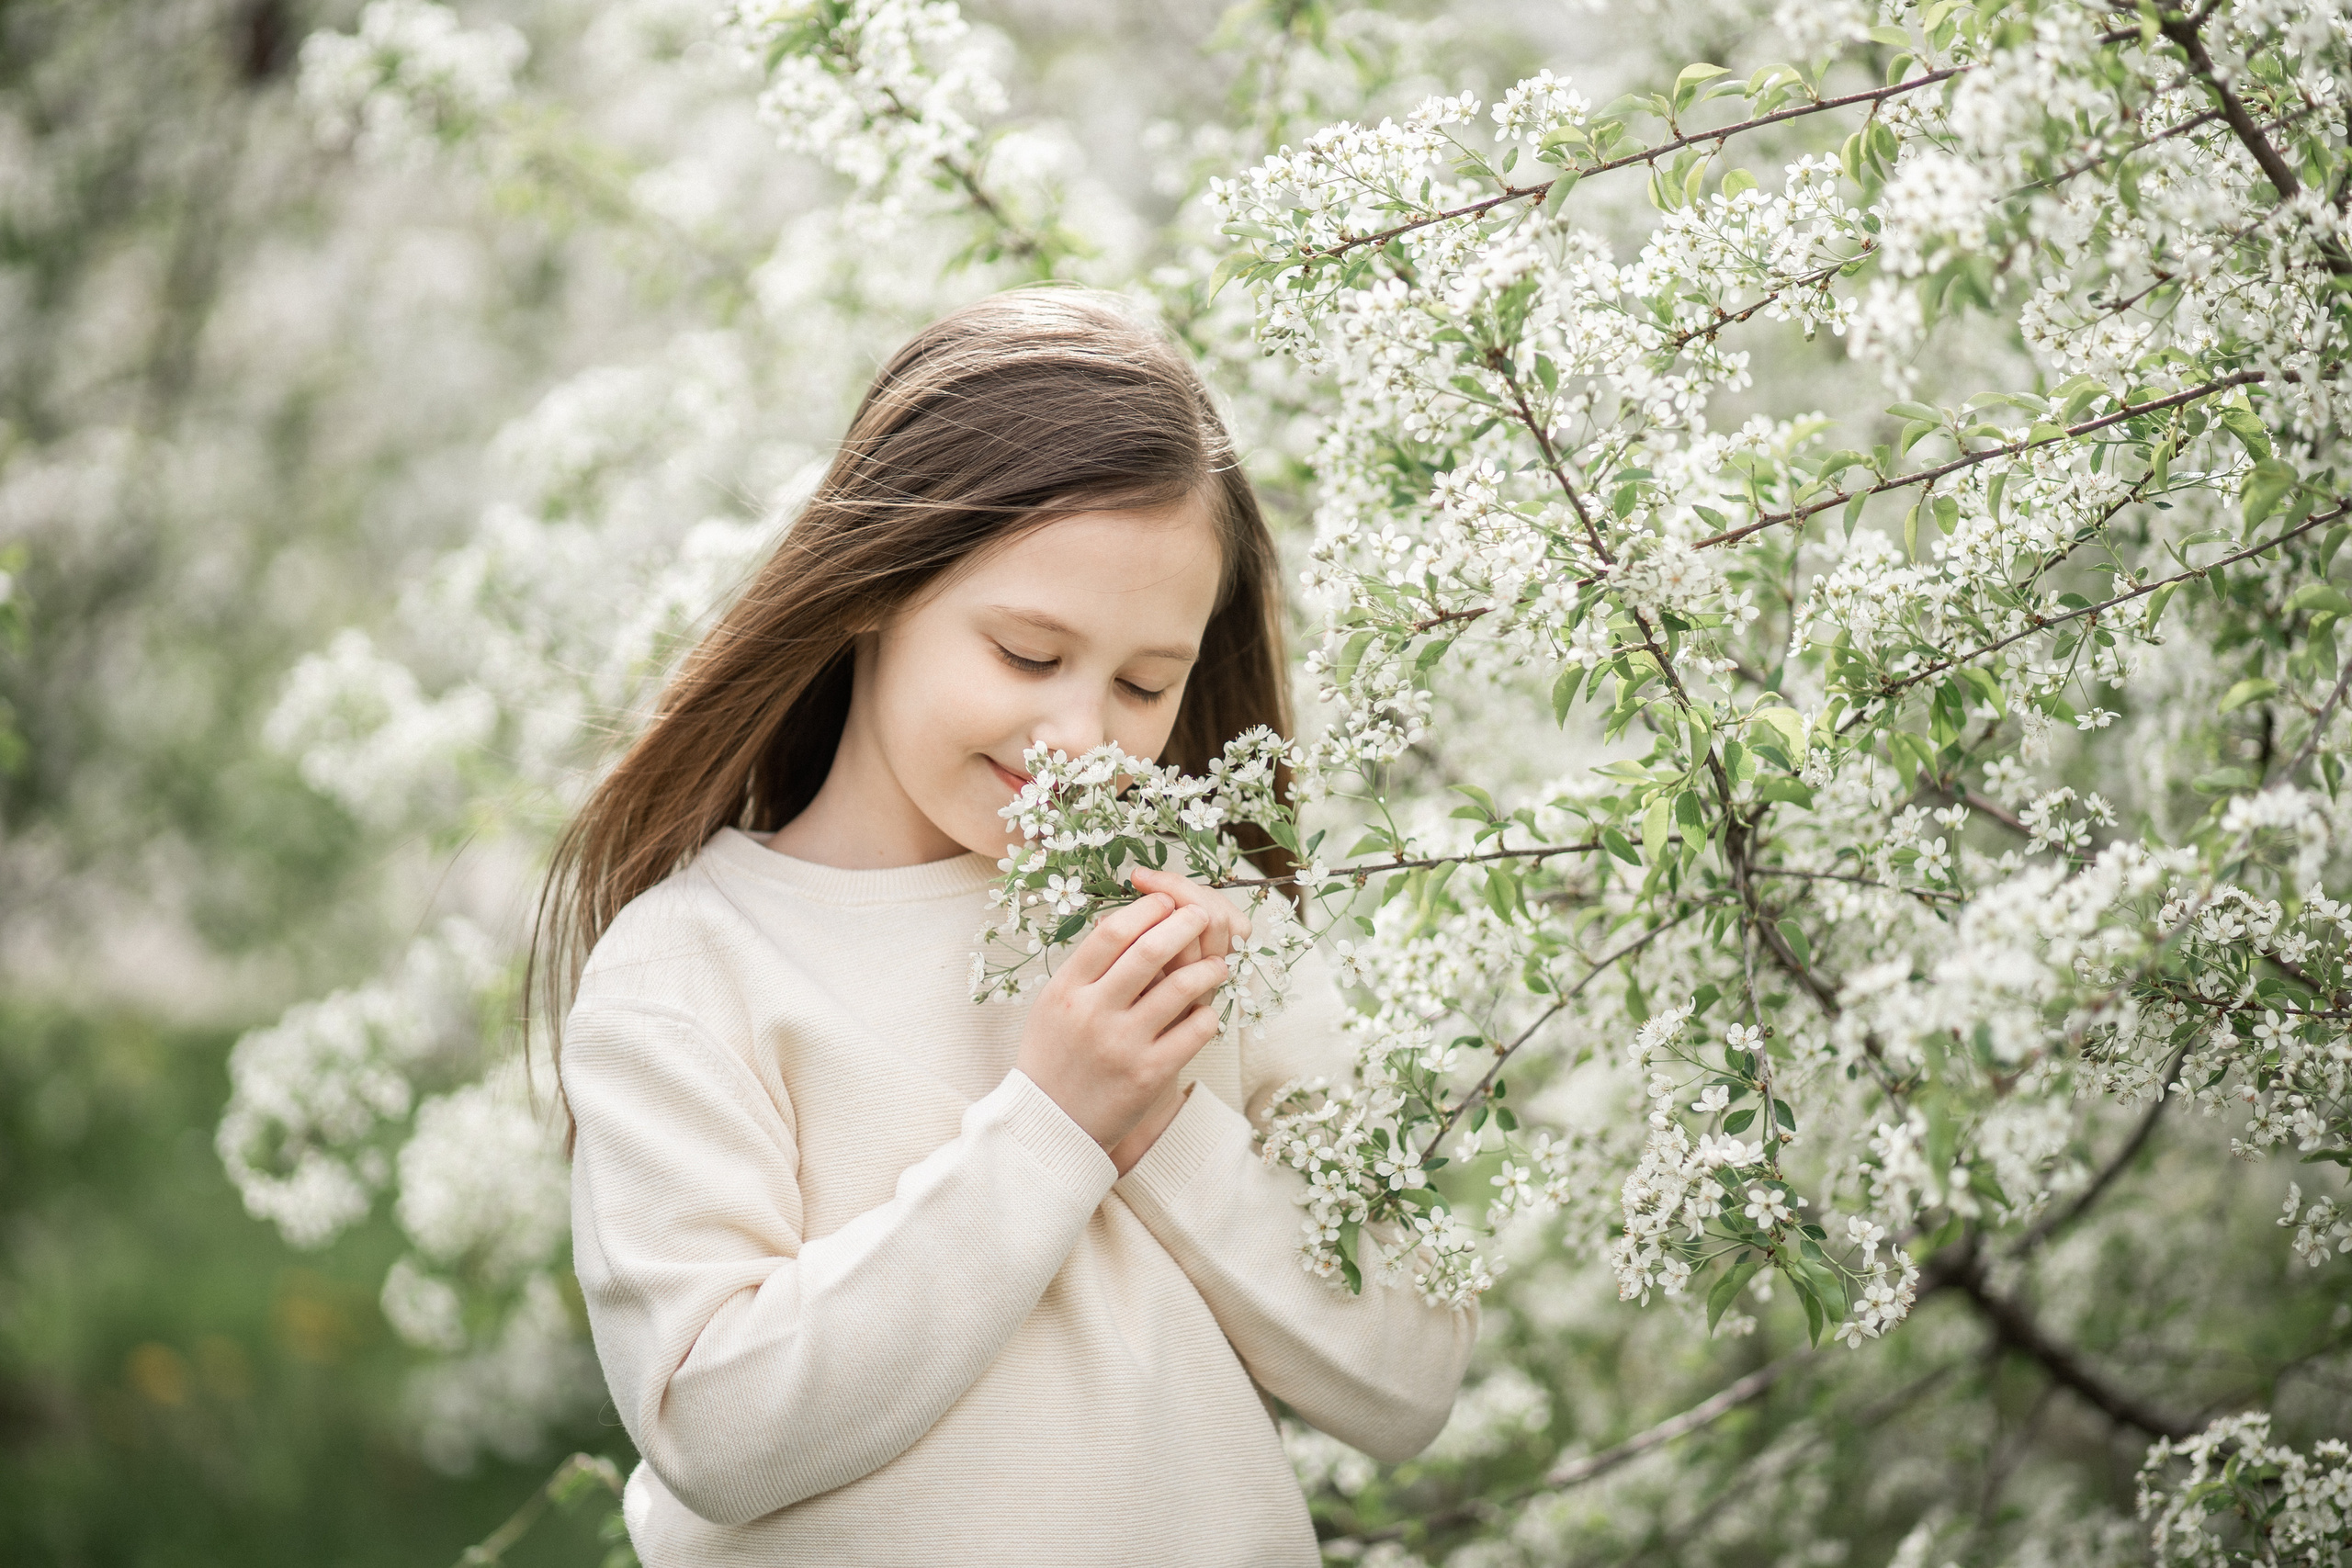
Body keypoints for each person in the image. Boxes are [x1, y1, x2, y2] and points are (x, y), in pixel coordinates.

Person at [535, 287, 1476, 1566]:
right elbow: (715, 1426)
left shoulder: (1202, 932)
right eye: (1029, 657)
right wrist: (1052, 1127)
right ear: (875, 587)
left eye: (1146, 683)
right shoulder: (697, 968)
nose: (1082, 738)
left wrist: (1154, 1124)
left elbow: (1408, 1379)